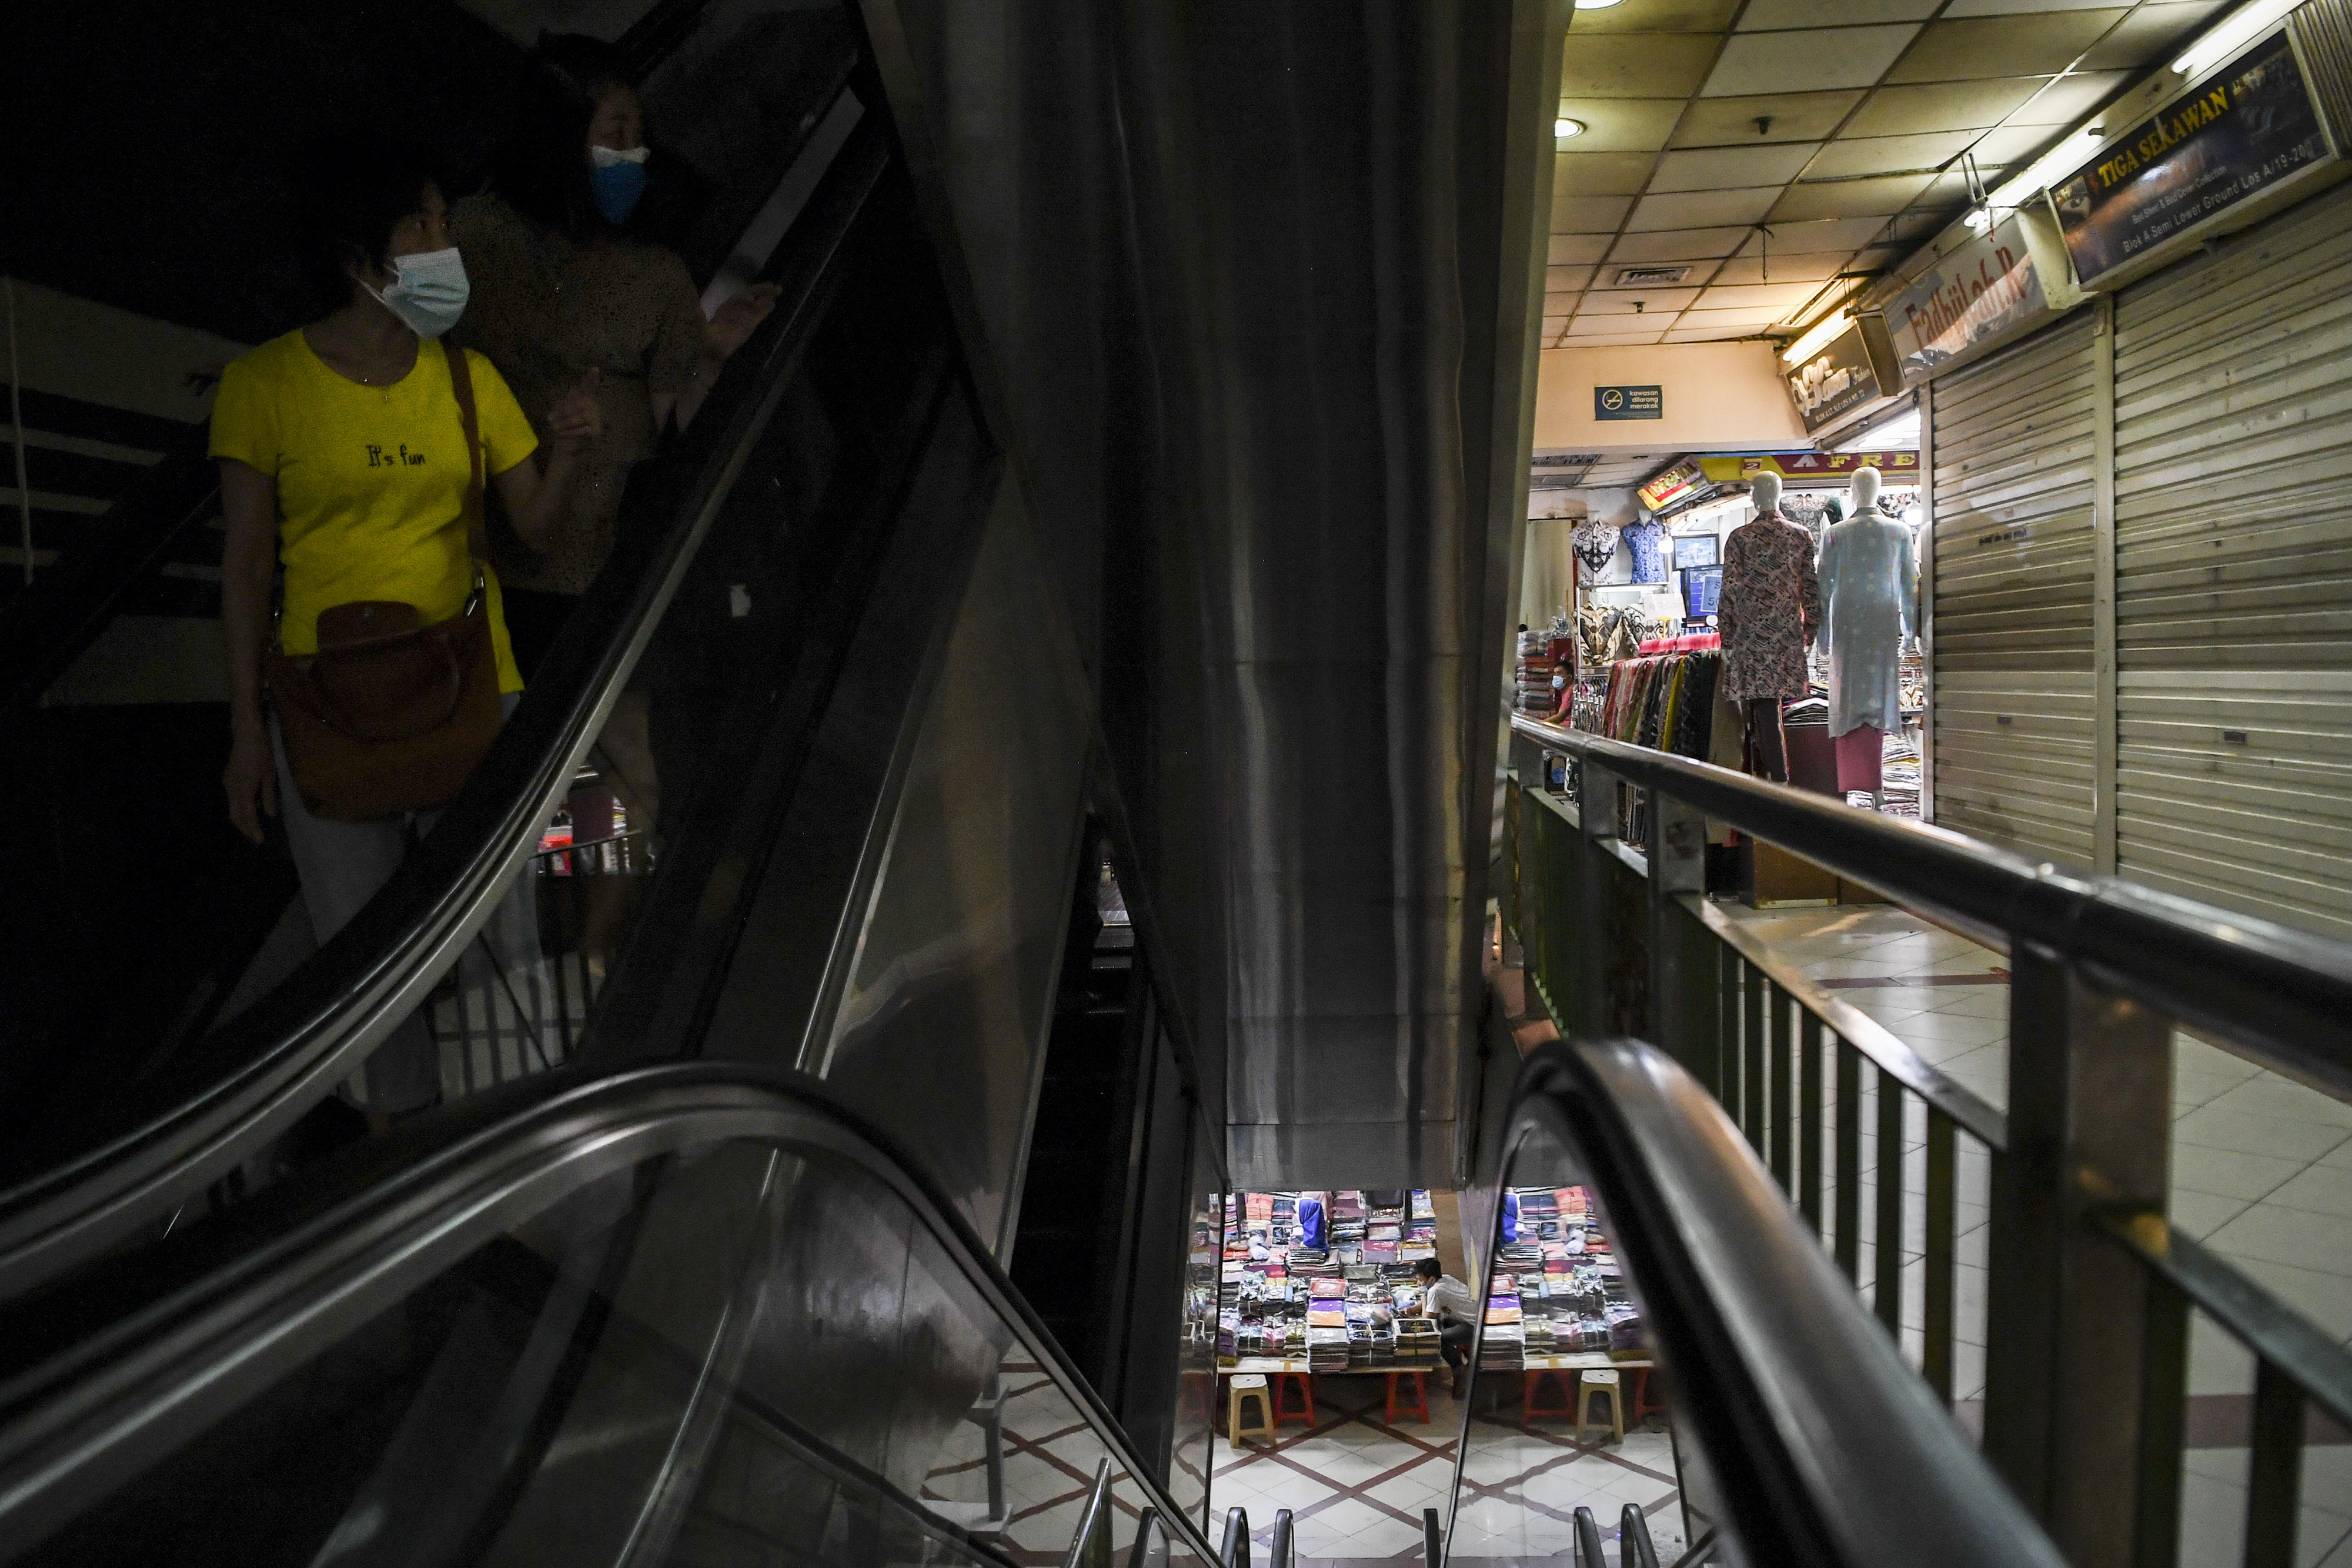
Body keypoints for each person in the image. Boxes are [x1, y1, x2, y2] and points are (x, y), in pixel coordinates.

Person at [213, 131, 602, 1124]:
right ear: (359, 258)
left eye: (442, 221)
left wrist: (564, 451)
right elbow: (248, 566)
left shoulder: (469, 381)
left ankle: (516, 1130)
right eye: (420, 225)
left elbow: (535, 524)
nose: (444, 244)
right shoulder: (264, 387)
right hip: (323, 704)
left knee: (508, 932)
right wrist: (246, 733)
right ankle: (402, 1148)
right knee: (362, 960)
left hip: (474, 686)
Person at [450, 34, 779, 685]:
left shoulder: (655, 274)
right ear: (559, 135)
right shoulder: (471, 234)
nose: (636, 152)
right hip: (471, 551)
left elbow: (676, 419)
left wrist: (709, 355)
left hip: (590, 566)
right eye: (616, 131)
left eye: (638, 133)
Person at [1414, 1256, 1479, 1396]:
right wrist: (1413, 1309)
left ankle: (1459, 1369)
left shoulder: (1435, 1291)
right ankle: (1464, 1357)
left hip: (1475, 1326)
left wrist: (1423, 1296)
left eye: (1421, 1280)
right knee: (1445, 1321)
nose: (1418, 1283)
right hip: (1473, 1316)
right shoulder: (1446, 1279)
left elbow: (1426, 1320)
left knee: (1439, 1339)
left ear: (1431, 1280)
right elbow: (1432, 1303)